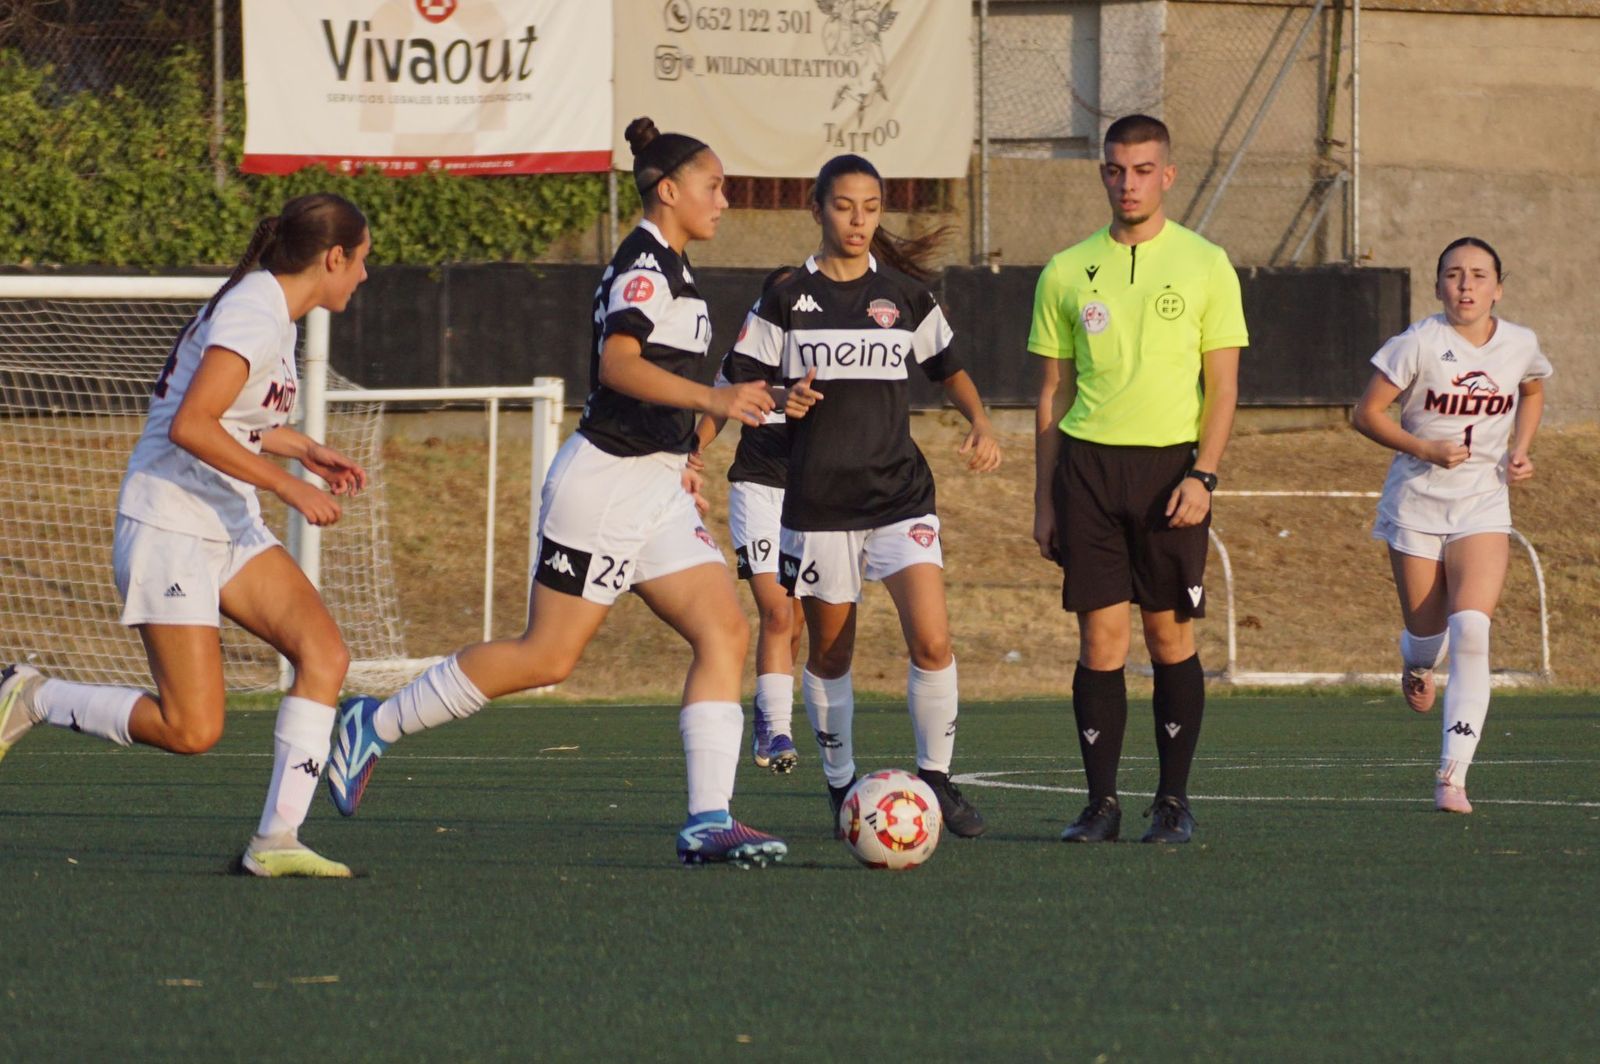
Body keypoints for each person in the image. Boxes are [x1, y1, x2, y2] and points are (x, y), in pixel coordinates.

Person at [324, 117, 793, 867]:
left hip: (654, 487)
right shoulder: (646, 263)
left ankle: (709, 818)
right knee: (546, 658)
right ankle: (372, 724)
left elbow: (663, 385)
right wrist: (713, 403)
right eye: (715, 187)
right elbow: (618, 365)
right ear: (669, 191)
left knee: (724, 632)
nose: (726, 201)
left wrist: (696, 437)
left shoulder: (674, 263)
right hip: (603, 485)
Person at [0, 193, 373, 877]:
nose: (364, 276)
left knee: (324, 653)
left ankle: (276, 841)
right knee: (192, 729)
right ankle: (33, 695)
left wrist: (305, 450)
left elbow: (234, 419)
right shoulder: (254, 312)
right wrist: (286, 485)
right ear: (332, 257)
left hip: (225, 523)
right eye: (362, 261)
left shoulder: (271, 311)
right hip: (169, 524)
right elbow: (190, 425)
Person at [724, 153, 1002, 838]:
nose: (858, 219)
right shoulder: (787, 296)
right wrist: (783, 396)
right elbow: (741, 384)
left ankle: (936, 782)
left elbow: (949, 368)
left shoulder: (904, 296)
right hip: (818, 504)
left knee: (932, 640)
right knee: (831, 654)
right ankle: (843, 787)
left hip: (899, 496)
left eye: (871, 206)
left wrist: (981, 420)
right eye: (844, 205)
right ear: (817, 208)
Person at [1029, 114, 1248, 845]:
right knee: (1100, 642)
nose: (1130, 183)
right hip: (1088, 470)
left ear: (1169, 175)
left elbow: (1222, 389)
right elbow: (1052, 397)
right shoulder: (1065, 268)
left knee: (1168, 635)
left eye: (1145, 170)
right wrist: (1043, 500)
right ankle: (1101, 806)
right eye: (1117, 170)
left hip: (1170, 471)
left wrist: (1205, 476)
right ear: (1103, 174)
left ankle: (1173, 804)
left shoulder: (1206, 263)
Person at [1351, 237, 1549, 814]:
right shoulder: (1417, 344)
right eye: (1455, 275)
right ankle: (1414, 662)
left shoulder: (1520, 344)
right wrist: (1424, 449)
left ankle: (1452, 775)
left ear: (1498, 287)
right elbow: (1365, 414)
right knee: (1428, 637)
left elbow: (1532, 389)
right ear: (1438, 286)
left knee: (1472, 629)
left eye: (1479, 275)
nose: (1467, 285)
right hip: (1416, 502)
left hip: (1482, 505)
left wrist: (1521, 449)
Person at [693, 266, 807, 775]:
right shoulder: (747, 357)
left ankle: (769, 713)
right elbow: (718, 407)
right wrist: (692, 452)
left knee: (798, 620)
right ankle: (778, 728)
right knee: (777, 612)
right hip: (757, 490)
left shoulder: (826, 351)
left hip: (812, 496)